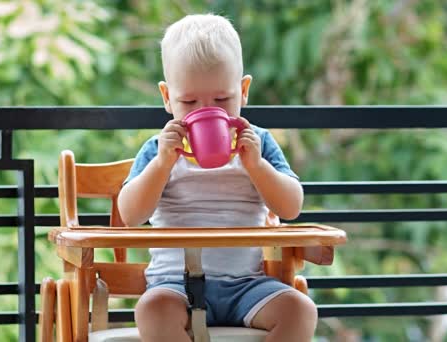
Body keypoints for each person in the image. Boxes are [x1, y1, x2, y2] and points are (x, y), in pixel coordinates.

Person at [117, 13, 316, 342]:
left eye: (223, 100)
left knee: (301, 311)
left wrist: (256, 166)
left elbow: (291, 206)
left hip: (247, 285)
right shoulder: (158, 149)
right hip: (174, 285)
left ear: (243, 90)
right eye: (189, 101)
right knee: (151, 310)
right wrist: (162, 165)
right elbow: (130, 215)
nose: (207, 110)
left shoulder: (258, 142)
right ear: (167, 97)